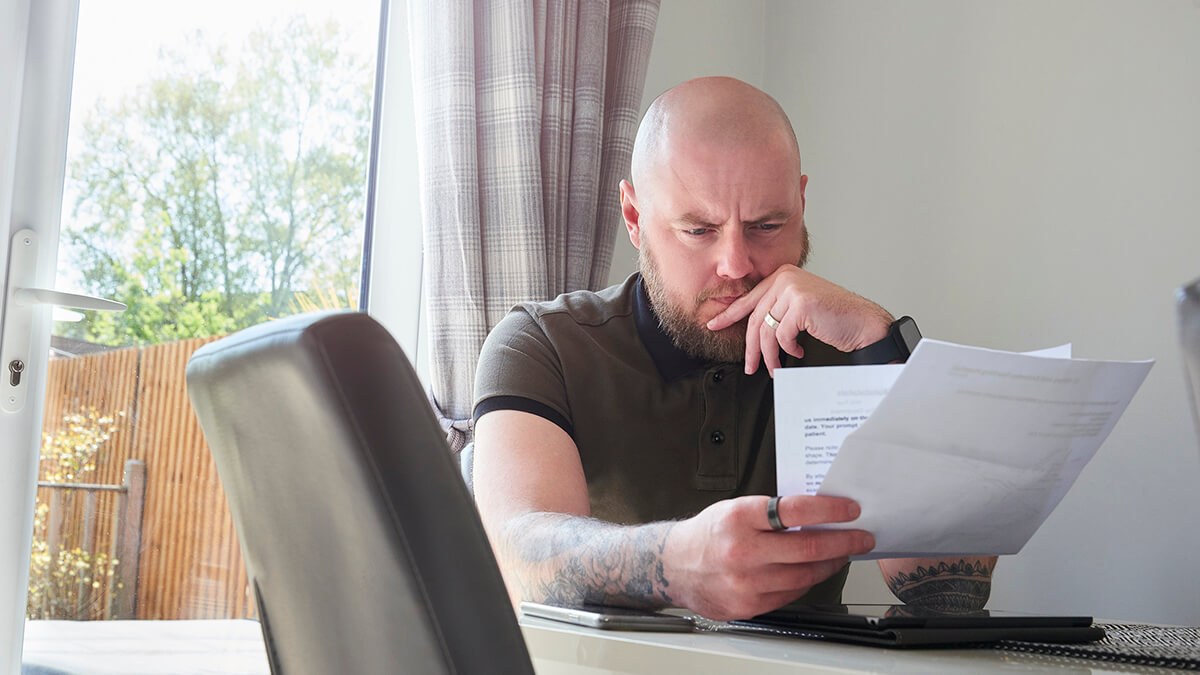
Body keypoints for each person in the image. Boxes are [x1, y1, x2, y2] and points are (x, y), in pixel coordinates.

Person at [471, 76, 996, 621]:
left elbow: (951, 590)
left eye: (767, 225)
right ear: (634, 218)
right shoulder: (544, 345)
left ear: (801, 202)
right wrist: (677, 564)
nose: (737, 264)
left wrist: (879, 342)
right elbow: (518, 556)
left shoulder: (850, 350)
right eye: (699, 230)